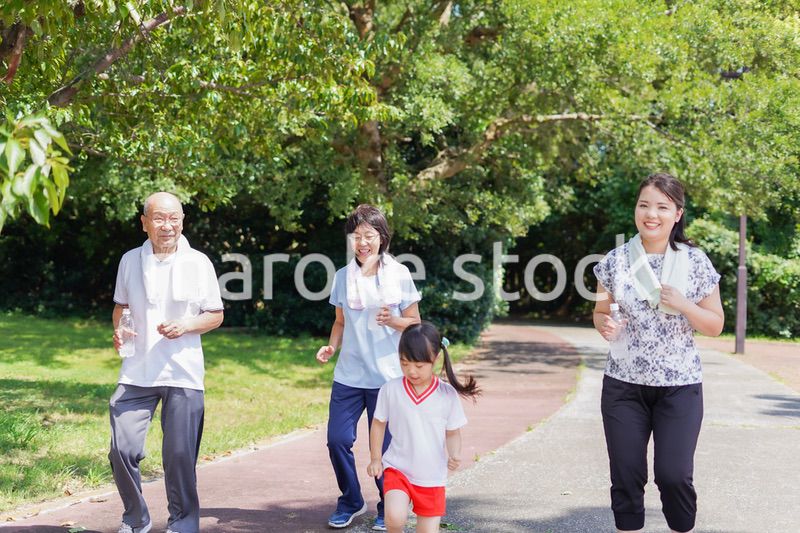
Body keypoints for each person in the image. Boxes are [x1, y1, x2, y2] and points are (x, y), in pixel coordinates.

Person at [592, 173, 724, 533]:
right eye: (644, 205)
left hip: (679, 386)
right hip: (623, 386)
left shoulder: (695, 262)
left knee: (674, 475)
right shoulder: (614, 261)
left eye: (662, 207)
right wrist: (604, 324)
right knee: (626, 477)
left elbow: (714, 324)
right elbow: (601, 311)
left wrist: (684, 304)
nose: (651, 214)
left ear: (677, 214)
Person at [109, 192, 224, 533]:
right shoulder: (130, 260)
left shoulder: (199, 262)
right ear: (144, 222)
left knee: (179, 458)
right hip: (136, 372)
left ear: (183, 220)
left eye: (174, 218)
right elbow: (121, 307)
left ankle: (183, 522)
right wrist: (119, 330)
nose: (167, 225)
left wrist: (186, 325)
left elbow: (215, 315)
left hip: (183, 373)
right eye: (159, 218)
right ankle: (136, 518)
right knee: (121, 448)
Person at [316, 204, 421, 530]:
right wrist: (332, 346)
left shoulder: (399, 274)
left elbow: (415, 322)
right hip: (348, 375)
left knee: (387, 448)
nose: (362, 242)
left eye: (369, 236)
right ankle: (350, 500)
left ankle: (386, 504)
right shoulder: (343, 276)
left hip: (387, 377)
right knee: (337, 440)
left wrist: (394, 320)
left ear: (382, 238)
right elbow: (339, 322)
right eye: (357, 236)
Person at [366, 322, 479, 533]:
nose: (411, 371)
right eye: (404, 363)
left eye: (419, 365)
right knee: (394, 517)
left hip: (431, 476)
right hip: (397, 467)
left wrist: (455, 453)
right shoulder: (391, 390)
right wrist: (375, 458)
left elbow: (453, 432)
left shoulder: (447, 395)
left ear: (435, 359)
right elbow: (378, 423)